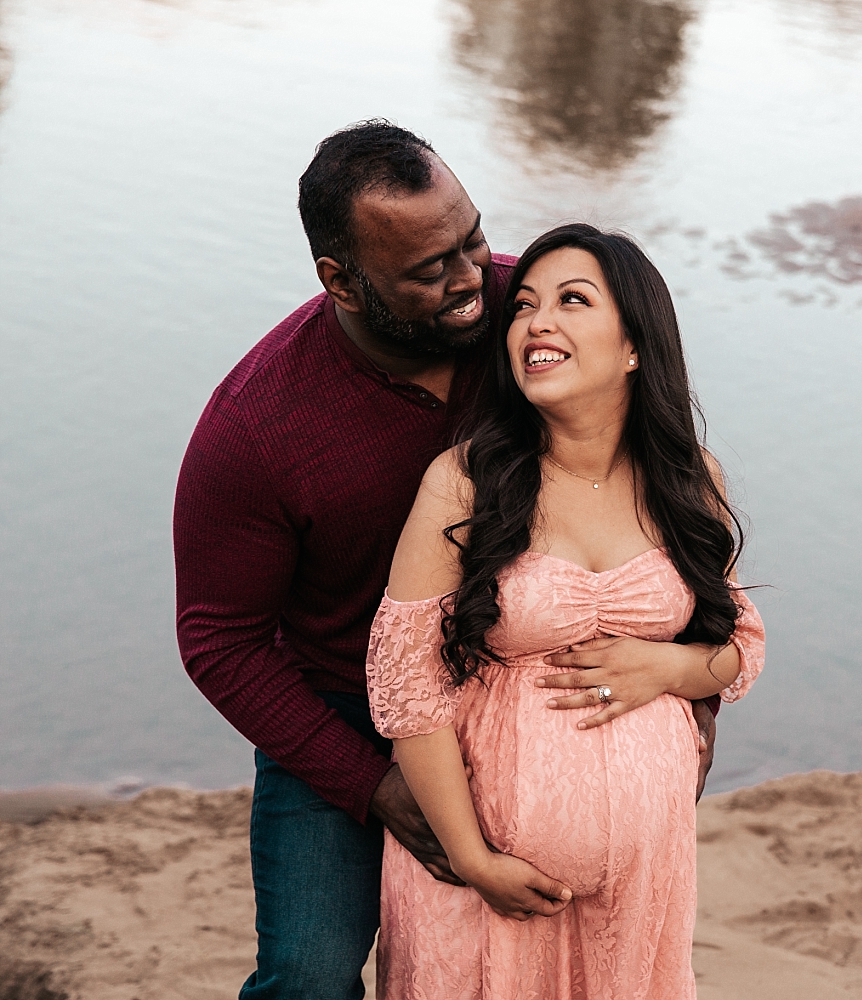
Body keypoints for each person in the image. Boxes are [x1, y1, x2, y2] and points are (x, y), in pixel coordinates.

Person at [173, 122, 721, 999]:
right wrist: (376, 786)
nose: (474, 281)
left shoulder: (522, 314)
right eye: (430, 270)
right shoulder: (257, 428)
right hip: (346, 709)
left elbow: (654, 477)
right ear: (341, 280)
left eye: (471, 238)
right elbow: (220, 645)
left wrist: (689, 693)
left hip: (515, 677)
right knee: (308, 978)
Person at [366, 222, 764, 998]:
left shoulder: (687, 477)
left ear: (633, 346)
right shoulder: (465, 482)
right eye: (523, 307)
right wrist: (474, 860)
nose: (535, 322)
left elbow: (740, 646)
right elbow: (407, 690)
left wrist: (673, 667)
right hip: (485, 882)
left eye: (572, 301)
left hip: (642, 883)